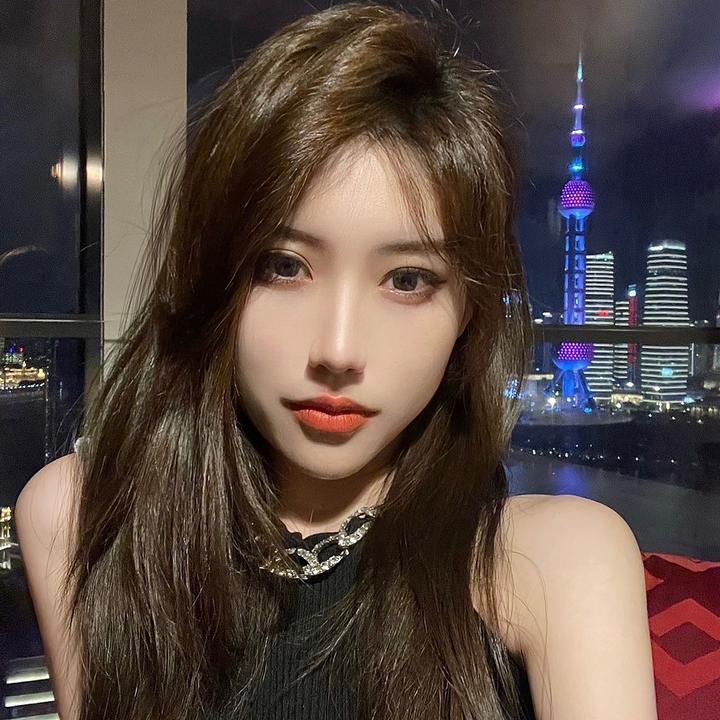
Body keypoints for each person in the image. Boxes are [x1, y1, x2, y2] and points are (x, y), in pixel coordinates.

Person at [14, 3, 658, 719]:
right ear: (212, 279)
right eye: (283, 266)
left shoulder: (554, 562)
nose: (339, 351)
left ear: (470, 314)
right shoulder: (79, 518)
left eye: (408, 280)